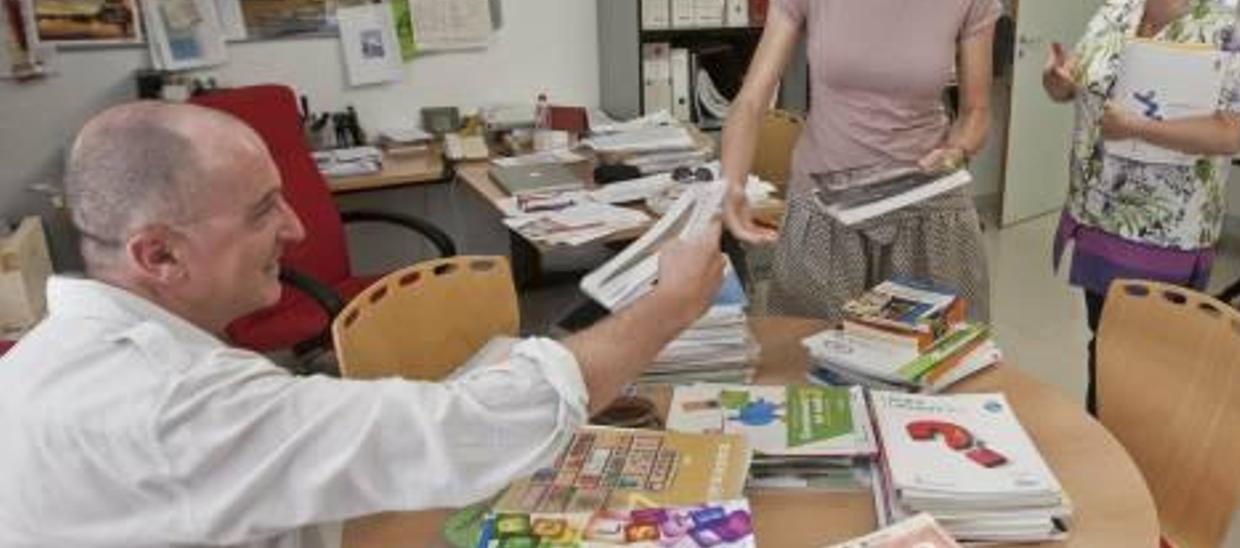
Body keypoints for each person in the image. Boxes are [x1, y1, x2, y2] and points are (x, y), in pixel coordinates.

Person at [0, 102, 727, 547]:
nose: (292, 229)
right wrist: (665, 308)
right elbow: (465, 432)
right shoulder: (176, 404)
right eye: (261, 211)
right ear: (158, 254)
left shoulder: (46, 357)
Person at [719, 0, 1001, 321]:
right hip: (825, 208)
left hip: (927, 207)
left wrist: (958, 150)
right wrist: (731, 181)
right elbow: (752, 98)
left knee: (931, 357)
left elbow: (976, 110)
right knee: (808, 354)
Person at [1043, 0, 1240, 414]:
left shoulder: (1225, 31)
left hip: (1164, 234)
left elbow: (1229, 133)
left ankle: (1138, 459)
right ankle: (1104, 450)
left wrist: (1138, 128)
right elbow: (1070, 88)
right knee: (1102, 344)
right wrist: (1058, 81)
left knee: (1146, 363)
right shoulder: (1112, 14)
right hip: (1097, 218)